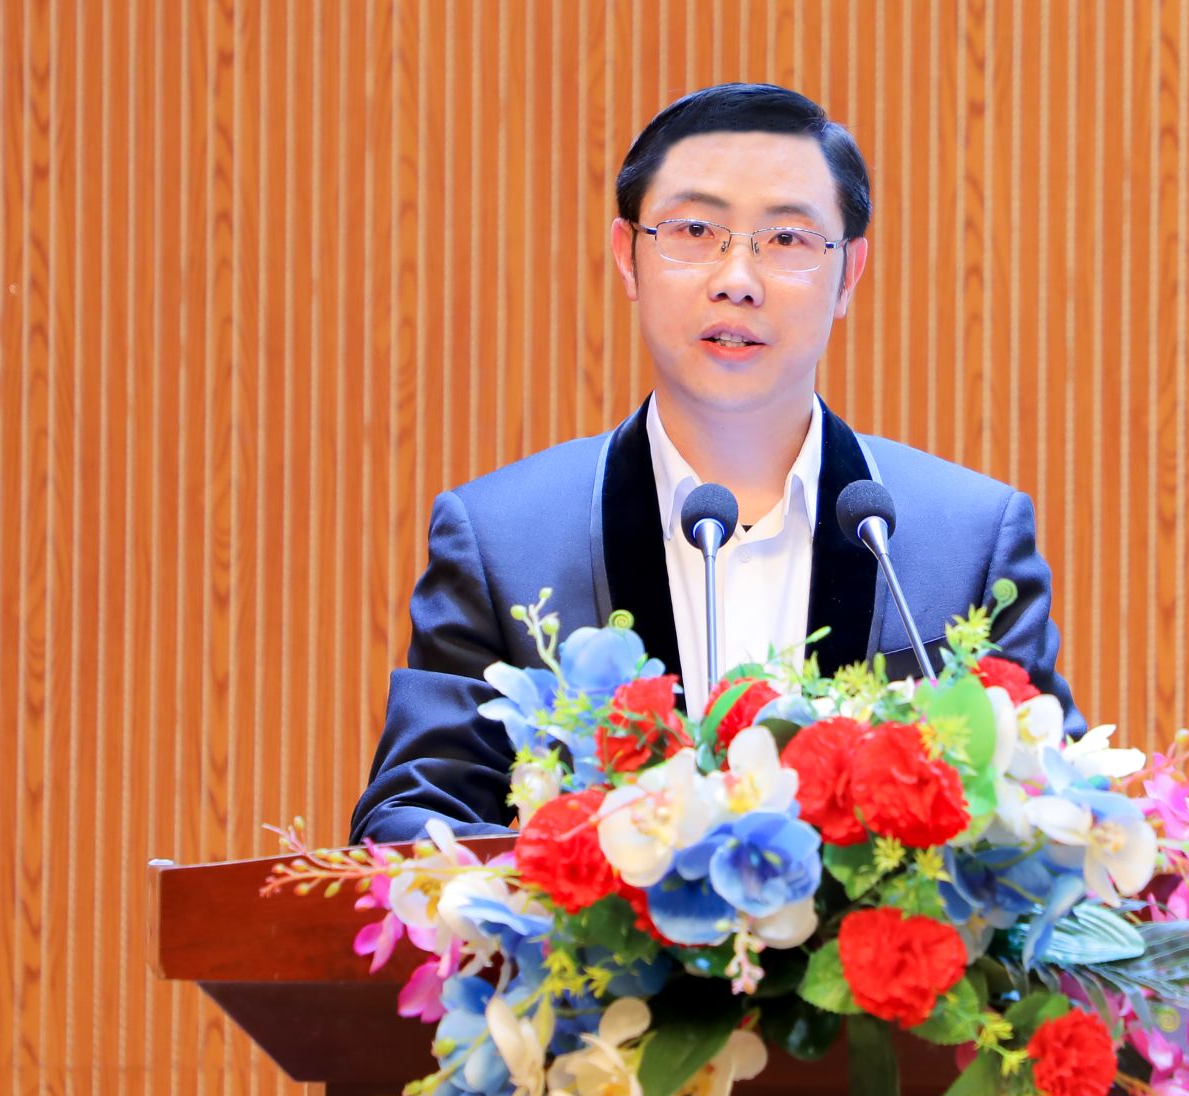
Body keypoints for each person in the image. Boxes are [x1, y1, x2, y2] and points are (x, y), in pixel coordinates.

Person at [350, 83, 1083, 845]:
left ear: (849, 275)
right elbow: (410, 821)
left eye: (788, 239)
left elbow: (1056, 812)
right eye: (695, 230)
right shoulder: (503, 540)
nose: (738, 279)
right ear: (628, 257)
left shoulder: (966, 539)